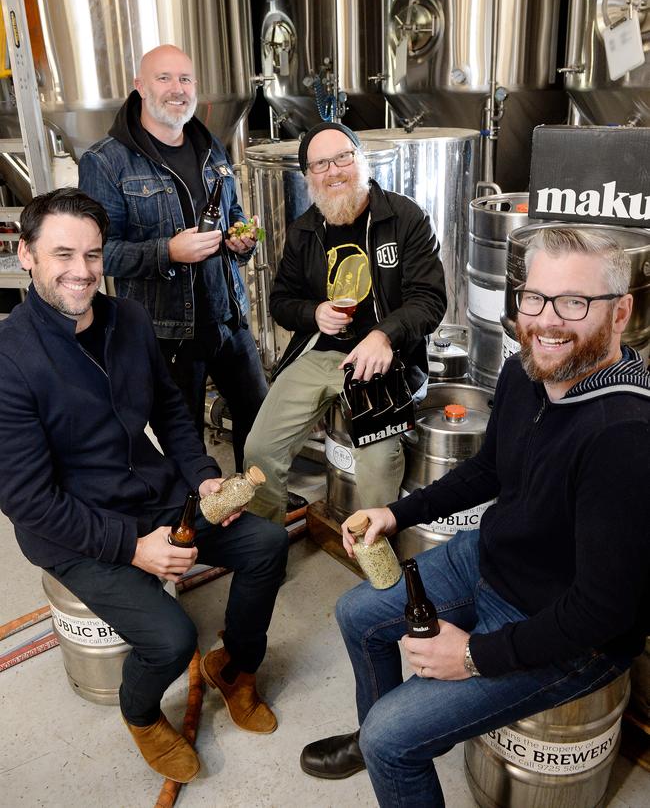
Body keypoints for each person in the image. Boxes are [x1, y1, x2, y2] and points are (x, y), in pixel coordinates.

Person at [299, 226, 650, 806]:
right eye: (534, 299)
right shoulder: (526, 370)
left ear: (620, 314)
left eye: (575, 303)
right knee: (358, 613)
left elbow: (602, 613)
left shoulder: (625, 437)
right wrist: (395, 511)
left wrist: (471, 656)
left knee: (394, 739)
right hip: (494, 559)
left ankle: (384, 745)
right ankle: (377, 739)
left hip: (568, 630)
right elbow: (489, 471)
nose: (546, 321)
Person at [0, 189, 288, 784]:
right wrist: (132, 548)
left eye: (93, 254)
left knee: (266, 544)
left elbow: (172, 413)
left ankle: (234, 666)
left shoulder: (128, 318)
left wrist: (205, 478)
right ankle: (139, 715)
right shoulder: (9, 359)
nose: (81, 272)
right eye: (62, 255)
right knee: (171, 637)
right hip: (74, 528)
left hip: (152, 494)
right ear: (26, 255)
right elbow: (27, 500)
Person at [244, 121, 447, 523]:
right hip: (321, 353)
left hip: (383, 361)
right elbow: (281, 302)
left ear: (361, 160)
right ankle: (264, 549)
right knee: (259, 449)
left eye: (342, 157)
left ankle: (378, 561)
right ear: (308, 177)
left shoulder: (405, 218)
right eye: (320, 164)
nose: (334, 171)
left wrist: (383, 335)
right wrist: (313, 313)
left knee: (377, 463)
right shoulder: (304, 230)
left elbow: (430, 299)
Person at [78, 44, 267, 470]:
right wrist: (168, 251)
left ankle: (258, 512)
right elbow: (98, 255)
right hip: (166, 336)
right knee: (186, 447)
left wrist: (241, 240)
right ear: (140, 86)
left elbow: (231, 214)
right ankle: (199, 526)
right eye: (164, 78)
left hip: (229, 320)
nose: (177, 89)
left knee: (260, 429)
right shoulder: (106, 162)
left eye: (185, 79)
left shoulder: (210, 147)